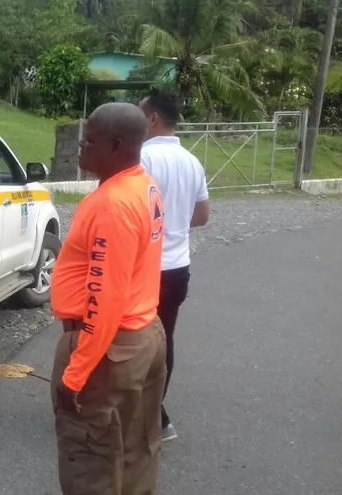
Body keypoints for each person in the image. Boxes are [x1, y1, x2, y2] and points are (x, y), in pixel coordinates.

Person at [50, 102, 167, 495]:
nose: (81, 146)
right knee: (137, 450)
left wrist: (76, 372)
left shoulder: (113, 205)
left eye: (91, 140)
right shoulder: (142, 184)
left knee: (91, 462)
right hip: (144, 333)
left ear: (117, 146)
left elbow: (105, 297)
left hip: (107, 347)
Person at [138, 89, 211, 443]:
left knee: (129, 340)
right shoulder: (192, 161)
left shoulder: (142, 159)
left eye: (140, 114)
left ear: (152, 118)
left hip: (143, 268)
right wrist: (174, 224)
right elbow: (202, 216)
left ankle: (143, 415)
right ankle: (156, 414)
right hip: (178, 268)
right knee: (164, 339)